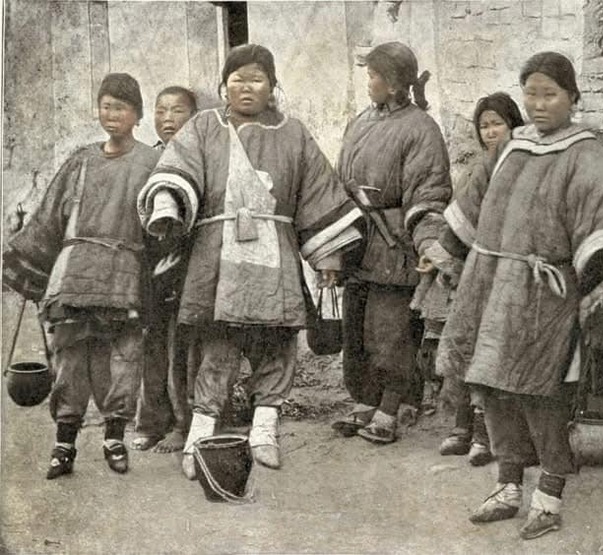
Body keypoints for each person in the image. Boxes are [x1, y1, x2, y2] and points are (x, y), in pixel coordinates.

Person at [428, 51, 603, 539]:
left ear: (573, 98)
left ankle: (549, 495)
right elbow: (474, 200)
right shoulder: (512, 147)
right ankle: (508, 486)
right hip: (491, 285)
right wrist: (447, 250)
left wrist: (602, 295)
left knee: (540, 395)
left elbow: (602, 222)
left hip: (545, 295)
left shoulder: (588, 156)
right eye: (532, 94)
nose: (539, 105)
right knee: (493, 387)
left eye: (551, 94)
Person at [136, 44, 363, 478]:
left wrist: (327, 255)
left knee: (278, 341)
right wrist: (167, 200)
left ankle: (264, 428)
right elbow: (177, 167)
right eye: (237, 78)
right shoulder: (204, 126)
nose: (246, 86)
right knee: (217, 344)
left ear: (273, 87)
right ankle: (200, 432)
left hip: (275, 251)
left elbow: (317, 192)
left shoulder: (293, 133)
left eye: (257, 78)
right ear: (224, 85)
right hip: (218, 258)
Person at [3, 73, 160, 478]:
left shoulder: (151, 162)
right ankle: (63, 446)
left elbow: (164, 224)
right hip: (74, 273)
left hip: (125, 272)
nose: (111, 115)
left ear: (137, 114)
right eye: (105, 106)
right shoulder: (80, 159)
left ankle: (115, 439)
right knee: (70, 358)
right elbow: (50, 216)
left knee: (123, 358)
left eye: (121, 108)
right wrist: (24, 254)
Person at [331, 41, 452, 444]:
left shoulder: (421, 129)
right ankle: (365, 401)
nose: (369, 83)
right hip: (358, 242)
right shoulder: (361, 122)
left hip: (394, 242)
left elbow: (430, 193)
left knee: (390, 331)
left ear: (397, 83)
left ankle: (390, 407)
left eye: (375, 76)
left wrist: (428, 242)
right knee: (357, 329)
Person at [432, 92, 525, 466]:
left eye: (497, 124)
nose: (490, 132)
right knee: (465, 347)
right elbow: (462, 217)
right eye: (483, 126)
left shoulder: (521, 164)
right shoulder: (477, 168)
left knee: (493, 354)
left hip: (506, 268)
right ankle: (462, 427)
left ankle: (488, 436)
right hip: (474, 266)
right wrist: (445, 258)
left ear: (514, 124)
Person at [132, 86, 199, 453]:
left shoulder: (200, 158)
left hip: (186, 265)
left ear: (194, 117)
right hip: (150, 266)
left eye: (178, 111)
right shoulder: (147, 159)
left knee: (180, 349)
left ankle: (183, 423)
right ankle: (150, 420)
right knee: (149, 346)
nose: (168, 119)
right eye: (161, 111)